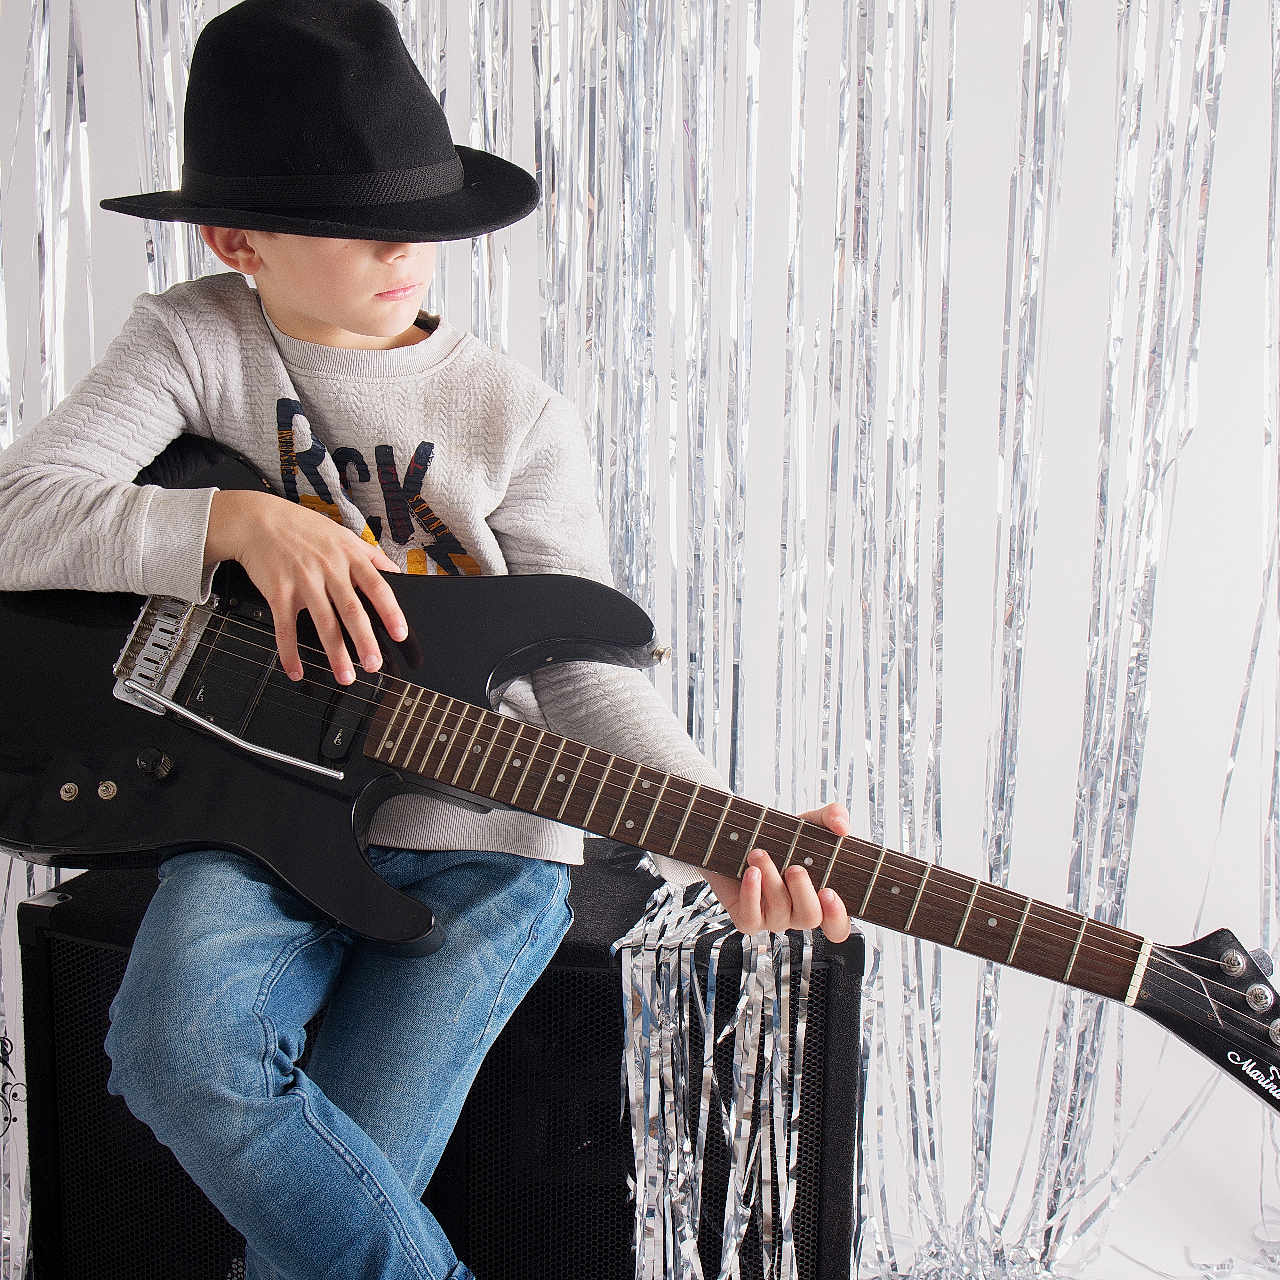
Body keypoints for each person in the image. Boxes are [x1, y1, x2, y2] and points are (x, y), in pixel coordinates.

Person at [0, 1, 852, 1277]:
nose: (405, 250)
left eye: (422, 218)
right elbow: (20, 515)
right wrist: (233, 520)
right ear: (239, 238)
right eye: (358, 224)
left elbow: (576, 661)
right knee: (173, 1054)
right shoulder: (191, 338)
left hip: (483, 842)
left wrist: (711, 825)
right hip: (251, 815)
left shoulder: (513, 412)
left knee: (327, 1216)